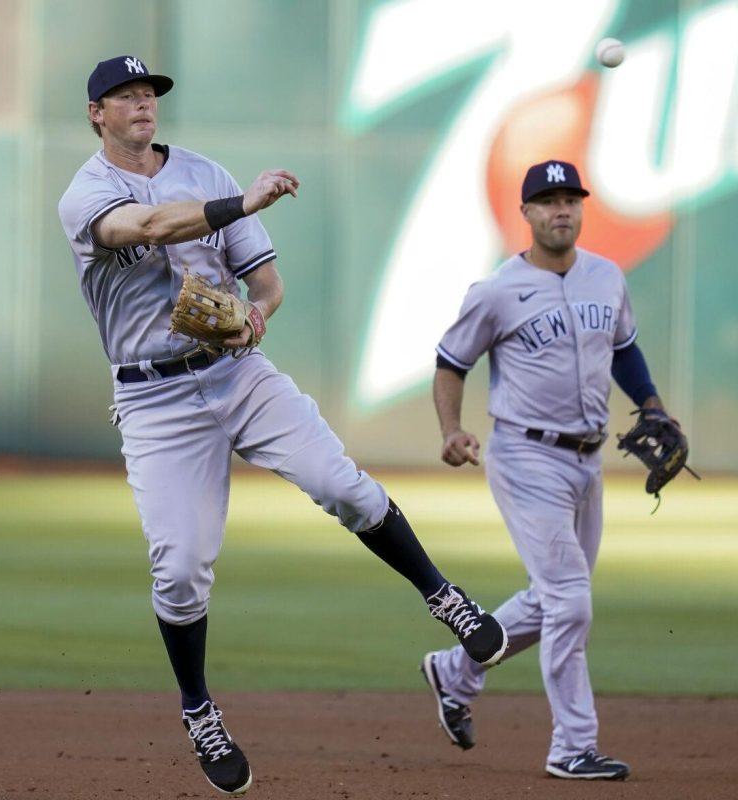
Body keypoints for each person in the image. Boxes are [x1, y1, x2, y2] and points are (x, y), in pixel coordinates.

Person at [57, 55, 507, 796]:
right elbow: (149, 225)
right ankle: (199, 709)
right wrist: (241, 202)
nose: (142, 104)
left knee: (346, 488)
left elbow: (265, 281)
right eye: (124, 96)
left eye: (149, 94)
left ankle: (444, 597)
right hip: (153, 401)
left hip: (234, 373)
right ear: (96, 114)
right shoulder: (88, 193)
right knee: (178, 574)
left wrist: (258, 311)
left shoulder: (203, 170)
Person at [424, 159, 680, 781]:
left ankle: (456, 671)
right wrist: (452, 430)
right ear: (527, 214)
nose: (561, 209)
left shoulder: (607, 278)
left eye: (571, 198)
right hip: (525, 455)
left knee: (553, 598)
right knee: (572, 599)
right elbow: (450, 362)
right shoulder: (496, 291)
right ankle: (573, 745)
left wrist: (651, 404)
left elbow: (623, 350)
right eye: (548, 200)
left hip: (588, 460)